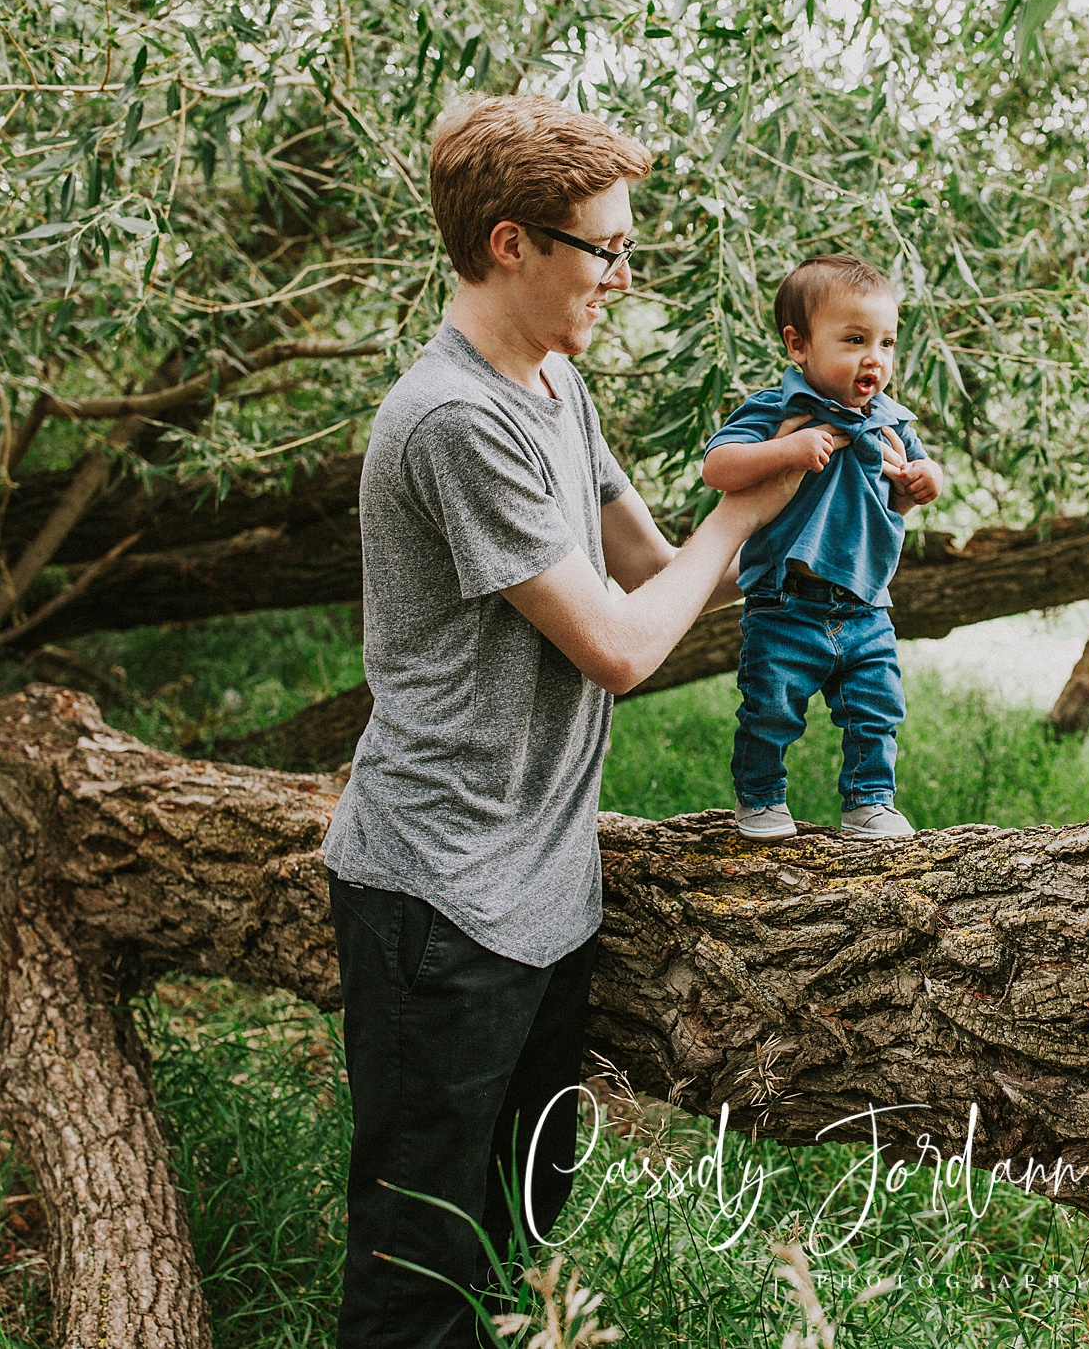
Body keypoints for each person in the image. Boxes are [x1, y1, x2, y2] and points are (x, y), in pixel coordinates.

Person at [319, 93, 798, 1349]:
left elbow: (663, 566)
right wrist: (736, 523)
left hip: (541, 888)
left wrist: (804, 474)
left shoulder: (550, 389)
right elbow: (623, 646)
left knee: (513, 1235)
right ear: (511, 245)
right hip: (438, 895)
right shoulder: (454, 419)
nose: (624, 276)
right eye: (605, 248)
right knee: (415, 1270)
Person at [700, 255, 947, 841]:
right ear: (798, 345)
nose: (875, 359)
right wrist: (786, 451)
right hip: (787, 601)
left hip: (866, 604)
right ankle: (760, 799)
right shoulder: (778, 411)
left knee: (877, 708)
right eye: (855, 339)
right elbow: (718, 466)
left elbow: (913, 476)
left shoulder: (891, 420)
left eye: (887, 342)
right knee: (769, 708)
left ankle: (869, 801)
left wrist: (927, 479)